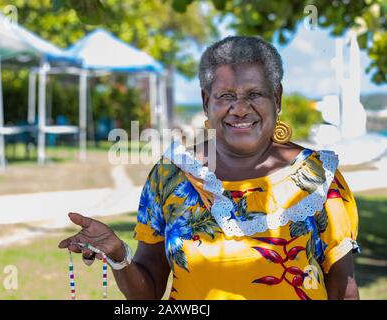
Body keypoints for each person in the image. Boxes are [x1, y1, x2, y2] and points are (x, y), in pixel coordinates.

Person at [58, 36, 360, 300]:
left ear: (277, 97)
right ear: (206, 102)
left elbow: (343, 290)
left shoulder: (319, 178)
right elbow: (148, 292)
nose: (240, 108)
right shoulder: (171, 176)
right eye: (226, 96)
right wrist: (118, 255)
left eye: (254, 94)